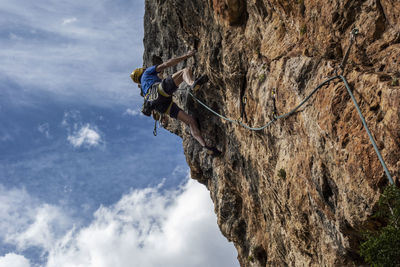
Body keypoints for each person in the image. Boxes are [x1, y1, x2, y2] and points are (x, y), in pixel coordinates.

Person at [130, 50, 221, 156]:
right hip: (160, 91)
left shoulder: (144, 89)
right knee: (185, 71)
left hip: (161, 106)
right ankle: (192, 84)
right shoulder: (146, 73)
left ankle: (205, 145)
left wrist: (162, 114)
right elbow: (167, 64)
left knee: (190, 121)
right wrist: (186, 55)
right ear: (141, 71)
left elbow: (154, 101)